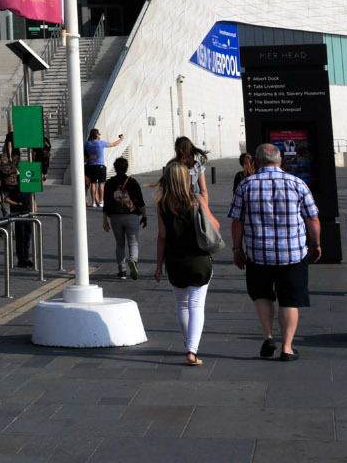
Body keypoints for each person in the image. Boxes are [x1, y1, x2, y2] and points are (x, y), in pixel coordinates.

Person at [229, 143, 321, 361]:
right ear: (281, 161)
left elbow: (237, 222)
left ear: (258, 161)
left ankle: (268, 336)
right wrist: (316, 244)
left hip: (258, 253)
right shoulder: (297, 183)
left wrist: (236, 249)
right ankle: (287, 348)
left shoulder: (245, 185)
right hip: (292, 254)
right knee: (289, 300)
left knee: (261, 295)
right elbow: (313, 218)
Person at [153, 161, 217, 365]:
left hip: (174, 261)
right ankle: (192, 350)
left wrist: (158, 266)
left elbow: (161, 236)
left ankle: (188, 342)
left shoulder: (162, 204)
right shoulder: (196, 200)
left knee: (181, 304)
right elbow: (214, 225)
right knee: (197, 305)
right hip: (198, 260)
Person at [101, 156, 147, 280]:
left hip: (115, 216)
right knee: (133, 243)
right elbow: (141, 201)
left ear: (115, 168)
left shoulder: (110, 183)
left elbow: (106, 203)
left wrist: (104, 220)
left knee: (120, 244)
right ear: (126, 168)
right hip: (131, 216)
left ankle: (122, 271)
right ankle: (133, 261)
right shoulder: (132, 182)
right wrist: (144, 216)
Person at [0, 153, 36, 267]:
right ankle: (21, 259)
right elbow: (7, 199)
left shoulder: (28, 189)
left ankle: (26, 258)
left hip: (27, 213)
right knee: (21, 238)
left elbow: (33, 200)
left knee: (27, 237)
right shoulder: (16, 190)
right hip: (18, 214)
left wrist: (35, 211)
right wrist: (16, 203)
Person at [84, 129, 123, 207]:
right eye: (99, 134)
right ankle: (101, 201)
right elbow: (114, 144)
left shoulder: (87, 144)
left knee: (93, 184)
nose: (100, 135)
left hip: (91, 166)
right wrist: (121, 139)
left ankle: (94, 202)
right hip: (100, 166)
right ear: (97, 135)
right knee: (101, 184)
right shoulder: (101, 143)